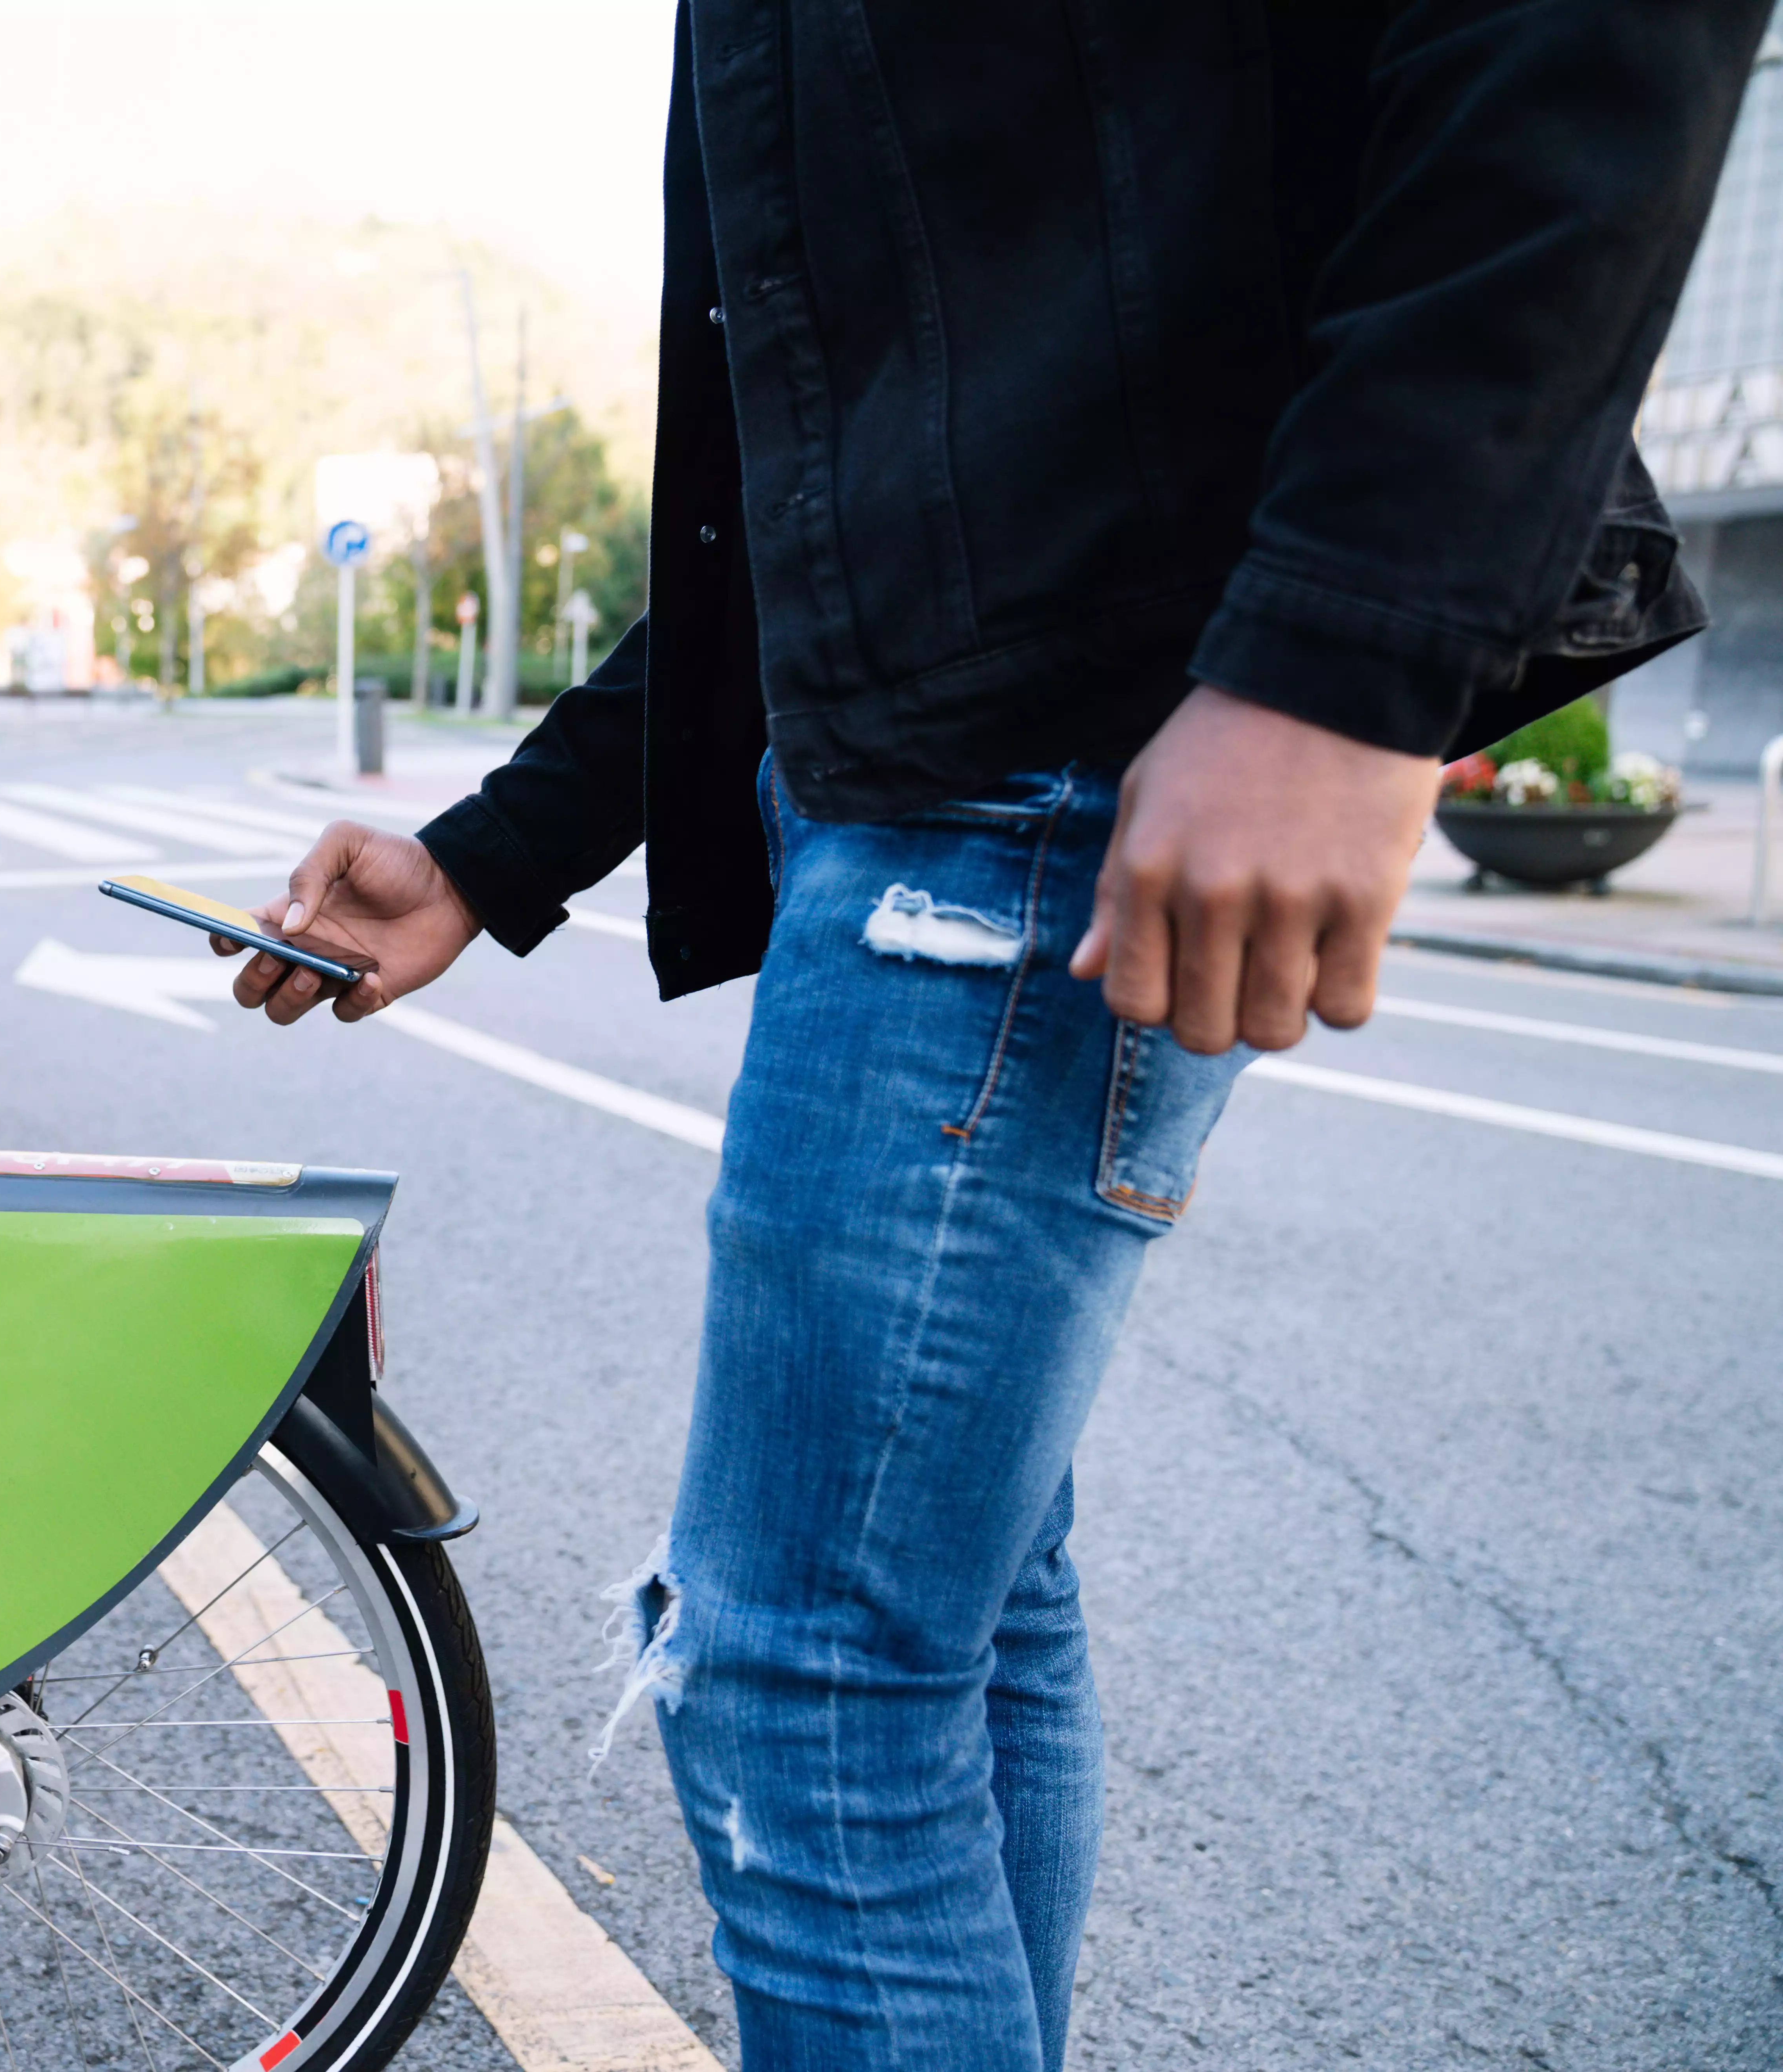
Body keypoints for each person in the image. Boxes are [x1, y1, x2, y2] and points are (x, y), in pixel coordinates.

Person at [217, 5, 1770, 2065]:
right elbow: (844, 456)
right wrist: (502, 850)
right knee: (958, 1617)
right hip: (940, 757)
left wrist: (1343, 653)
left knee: (806, 1679)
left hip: (1051, 756)